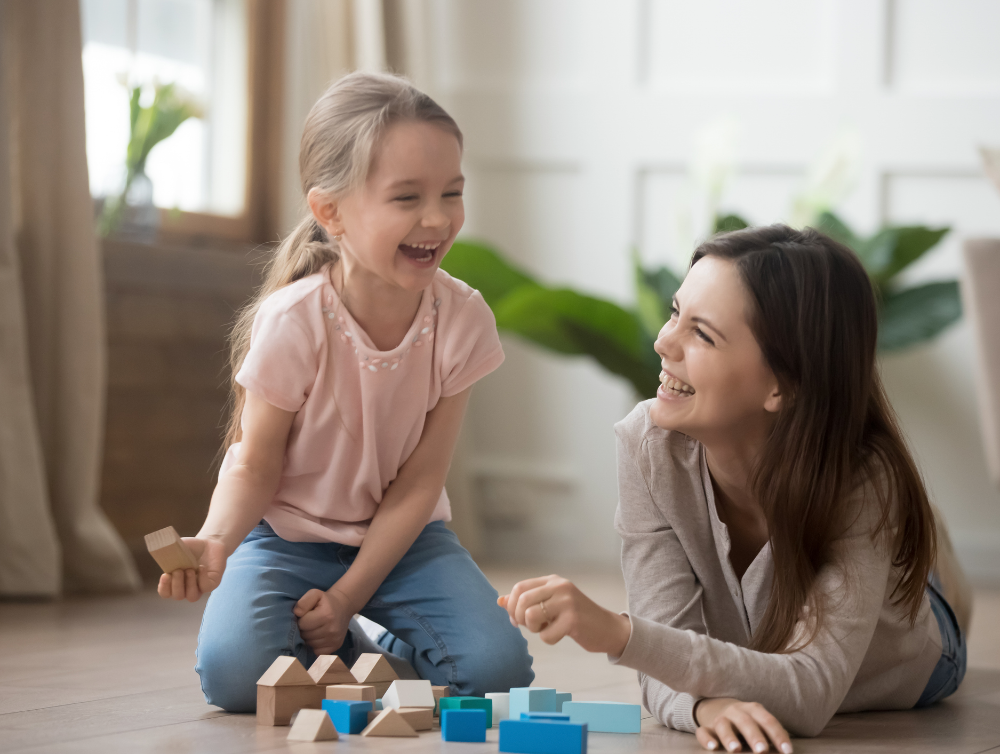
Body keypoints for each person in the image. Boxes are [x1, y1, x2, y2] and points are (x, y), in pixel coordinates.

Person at [500, 225, 970, 753]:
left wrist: (618, 633)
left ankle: (927, 559)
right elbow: (663, 656)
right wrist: (702, 706)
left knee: (921, 590)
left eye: (702, 334)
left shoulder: (861, 479)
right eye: (675, 312)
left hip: (905, 658)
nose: (662, 341)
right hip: (752, 659)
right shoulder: (646, 446)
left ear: (782, 385)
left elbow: (810, 692)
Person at [157, 71, 533, 711]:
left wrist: (349, 595)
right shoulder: (294, 321)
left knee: (498, 670)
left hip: (406, 538)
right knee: (234, 676)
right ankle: (348, 646)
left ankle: (369, 633)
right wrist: (215, 540)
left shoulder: (463, 319)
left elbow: (420, 481)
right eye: (407, 197)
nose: (438, 219)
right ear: (330, 211)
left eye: (452, 192)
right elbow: (255, 460)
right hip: (283, 538)